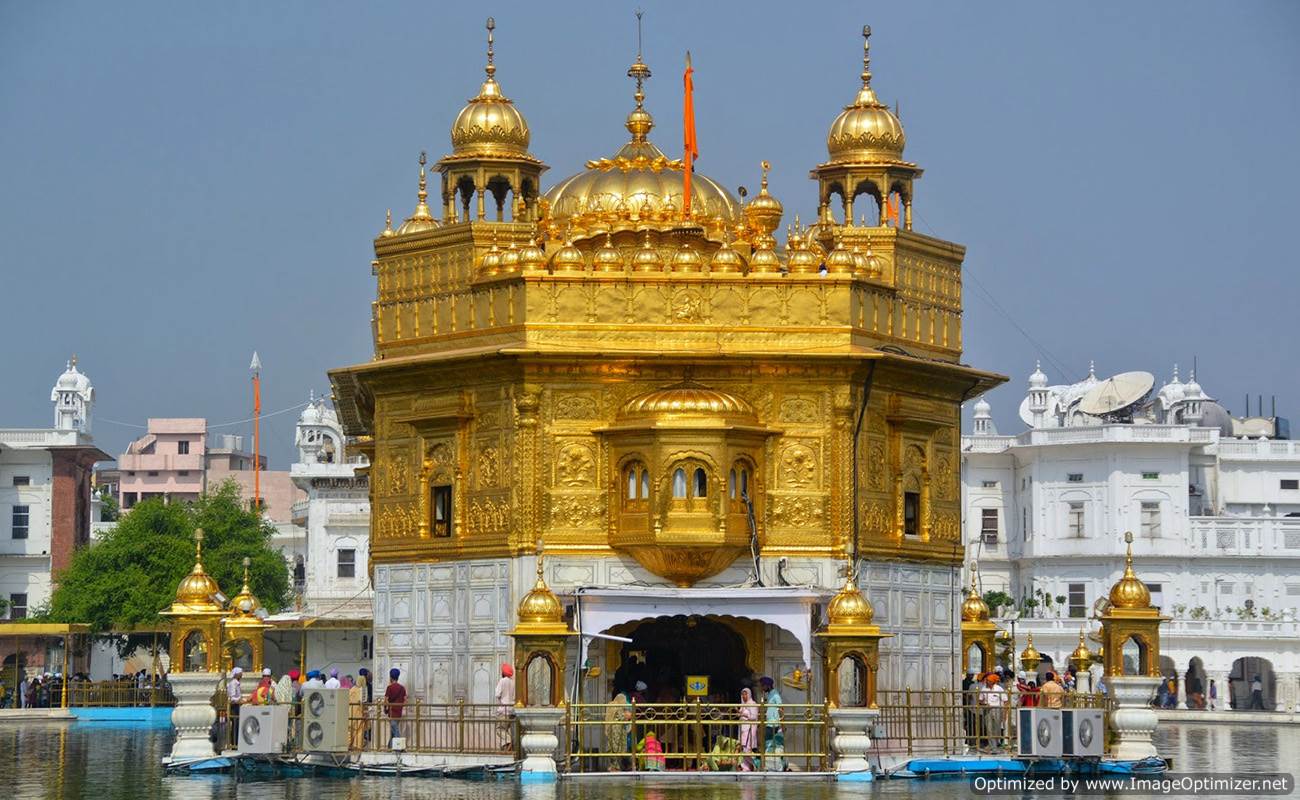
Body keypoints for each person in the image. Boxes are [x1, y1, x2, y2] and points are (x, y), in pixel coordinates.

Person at [603, 691, 633, 771]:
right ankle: (617, 767)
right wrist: (629, 716)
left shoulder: (611, 705)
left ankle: (615, 766)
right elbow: (624, 717)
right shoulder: (618, 706)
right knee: (618, 748)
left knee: (613, 747)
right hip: (618, 730)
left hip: (611, 729)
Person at [981, 673, 1007, 751]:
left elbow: (1005, 701)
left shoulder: (999, 689)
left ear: (993, 682)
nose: (987, 682)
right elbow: (980, 700)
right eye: (987, 680)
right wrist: (984, 704)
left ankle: (996, 744)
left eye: (989, 681)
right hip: (987, 710)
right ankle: (991, 745)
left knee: (997, 728)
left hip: (997, 710)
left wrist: (1004, 712)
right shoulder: (984, 689)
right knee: (989, 728)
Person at [494, 663, 516, 751]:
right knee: (506, 729)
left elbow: (497, 694)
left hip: (503, 710)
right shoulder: (512, 682)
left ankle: (509, 741)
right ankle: (506, 748)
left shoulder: (502, 681)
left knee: (499, 729)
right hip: (511, 710)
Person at [759, 676, 783, 753]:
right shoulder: (769, 694)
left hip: (774, 723)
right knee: (767, 742)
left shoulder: (775, 695)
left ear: (768, 685)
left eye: (763, 686)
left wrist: (783, 724)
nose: (762, 688)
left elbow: (781, 709)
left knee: (769, 741)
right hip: (769, 722)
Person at [383, 668, 406, 748]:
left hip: (392, 712)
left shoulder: (389, 688)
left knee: (395, 730)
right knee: (393, 729)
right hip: (399, 712)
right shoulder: (402, 688)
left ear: (391, 677)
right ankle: (389, 746)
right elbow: (404, 699)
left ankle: (400, 747)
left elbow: (386, 700)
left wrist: (385, 709)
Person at [738, 687, 759, 770]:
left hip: (749, 730)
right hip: (743, 730)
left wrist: (744, 715)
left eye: (745, 694)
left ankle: (757, 764)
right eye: (742, 694)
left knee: (747, 751)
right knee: (743, 750)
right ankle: (746, 767)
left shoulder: (753, 704)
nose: (744, 696)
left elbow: (754, 717)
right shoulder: (743, 705)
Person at [348, 673, 368, 750]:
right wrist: (365, 711)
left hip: (350, 711)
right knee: (359, 730)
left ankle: (348, 745)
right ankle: (357, 746)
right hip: (358, 712)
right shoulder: (361, 691)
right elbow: (362, 702)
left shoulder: (352, 689)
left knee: (350, 730)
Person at [226, 667, 245, 748]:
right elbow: (232, 698)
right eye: (240, 673)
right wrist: (240, 700)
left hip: (238, 706)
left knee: (237, 724)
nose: (242, 675)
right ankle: (234, 743)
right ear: (237, 674)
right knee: (235, 724)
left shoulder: (237, 683)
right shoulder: (233, 683)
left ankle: (237, 742)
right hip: (234, 707)